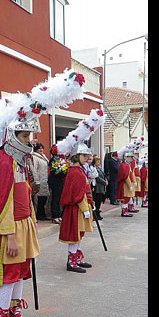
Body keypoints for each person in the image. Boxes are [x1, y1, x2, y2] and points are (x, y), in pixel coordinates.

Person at [0, 68, 87, 317]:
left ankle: (15, 315)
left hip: (23, 224)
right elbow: (0, 202)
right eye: (25, 135)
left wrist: (29, 224)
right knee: (9, 274)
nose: (29, 140)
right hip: (10, 228)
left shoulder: (18, 161)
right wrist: (11, 234)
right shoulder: (3, 161)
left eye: (30, 135)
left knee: (21, 271)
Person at [55, 108, 105, 273]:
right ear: (77, 156)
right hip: (77, 209)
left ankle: (76, 257)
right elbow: (78, 194)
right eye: (84, 157)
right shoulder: (75, 172)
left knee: (79, 235)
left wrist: (90, 205)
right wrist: (85, 208)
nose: (87, 159)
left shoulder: (79, 170)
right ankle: (71, 262)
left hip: (81, 207)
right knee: (74, 235)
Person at [48, 144, 69, 223]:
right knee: (55, 198)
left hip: (60, 181)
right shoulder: (53, 160)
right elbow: (54, 171)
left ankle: (59, 214)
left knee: (59, 198)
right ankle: (55, 215)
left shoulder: (62, 159)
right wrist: (63, 172)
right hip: (55, 181)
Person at [30, 142, 49, 220]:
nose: (41, 149)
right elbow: (34, 169)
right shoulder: (34, 157)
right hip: (39, 179)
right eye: (39, 148)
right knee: (39, 199)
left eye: (42, 148)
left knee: (44, 198)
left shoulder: (43, 157)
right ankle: (39, 214)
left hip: (44, 179)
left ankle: (42, 213)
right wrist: (36, 180)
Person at [115, 147, 136, 217]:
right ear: (125, 157)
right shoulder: (124, 165)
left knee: (127, 198)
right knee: (125, 198)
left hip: (127, 184)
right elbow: (126, 176)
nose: (131, 159)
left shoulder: (127, 165)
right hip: (125, 185)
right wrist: (130, 185)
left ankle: (126, 211)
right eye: (129, 157)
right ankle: (124, 211)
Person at [90, 156, 108, 220]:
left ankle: (98, 213)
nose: (99, 163)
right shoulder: (94, 168)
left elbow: (103, 175)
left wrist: (106, 180)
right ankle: (96, 214)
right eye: (98, 161)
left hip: (101, 187)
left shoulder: (99, 168)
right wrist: (104, 182)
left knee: (99, 201)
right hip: (98, 187)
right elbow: (97, 178)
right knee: (97, 201)